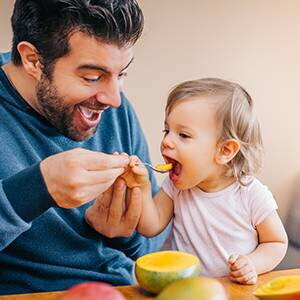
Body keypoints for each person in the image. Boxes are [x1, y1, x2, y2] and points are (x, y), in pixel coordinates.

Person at [0, 0, 167, 295]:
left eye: (122, 74)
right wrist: (38, 188)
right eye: (92, 77)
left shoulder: (111, 107)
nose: (114, 99)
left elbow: (155, 243)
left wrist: (125, 234)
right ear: (33, 61)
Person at [122, 78, 288, 285]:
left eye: (183, 135)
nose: (166, 141)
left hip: (235, 291)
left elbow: (277, 242)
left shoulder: (251, 193)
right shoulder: (175, 187)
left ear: (224, 151)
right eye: (167, 131)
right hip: (185, 290)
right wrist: (142, 186)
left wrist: (252, 263)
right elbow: (150, 226)